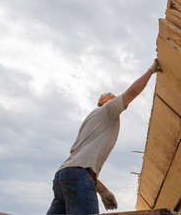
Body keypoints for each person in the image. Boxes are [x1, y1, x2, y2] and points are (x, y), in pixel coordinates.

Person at [46, 59, 161, 215]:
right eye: (112, 97)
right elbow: (132, 93)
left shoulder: (91, 122)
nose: (117, 100)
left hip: (62, 177)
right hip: (76, 177)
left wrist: (103, 191)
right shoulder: (108, 110)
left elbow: (81, 166)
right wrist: (151, 70)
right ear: (104, 102)